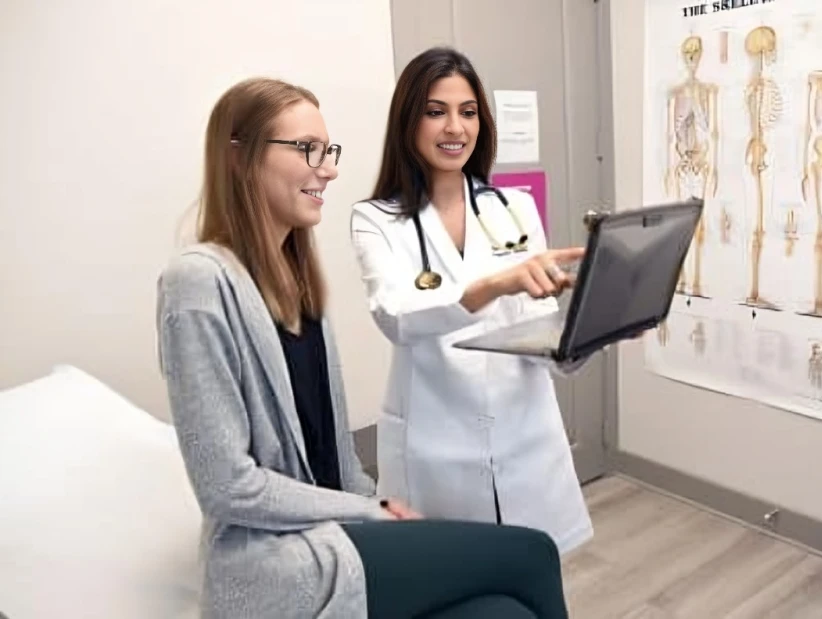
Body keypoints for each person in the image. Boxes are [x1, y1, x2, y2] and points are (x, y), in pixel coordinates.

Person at [156, 77, 570, 619]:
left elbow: (334, 449)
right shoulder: (197, 283)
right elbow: (228, 488)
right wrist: (368, 509)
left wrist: (374, 506)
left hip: (342, 531)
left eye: (328, 151)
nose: (327, 168)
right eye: (307, 149)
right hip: (281, 561)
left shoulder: (298, 281)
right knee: (532, 555)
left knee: (504, 612)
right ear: (239, 157)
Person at [349, 47, 594, 556]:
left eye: (468, 112)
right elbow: (395, 316)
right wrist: (496, 284)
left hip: (525, 435)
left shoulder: (515, 207)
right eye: (435, 112)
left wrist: (596, 327)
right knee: (451, 584)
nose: (454, 127)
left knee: (530, 582)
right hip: (436, 447)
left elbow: (538, 331)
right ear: (408, 121)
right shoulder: (375, 219)